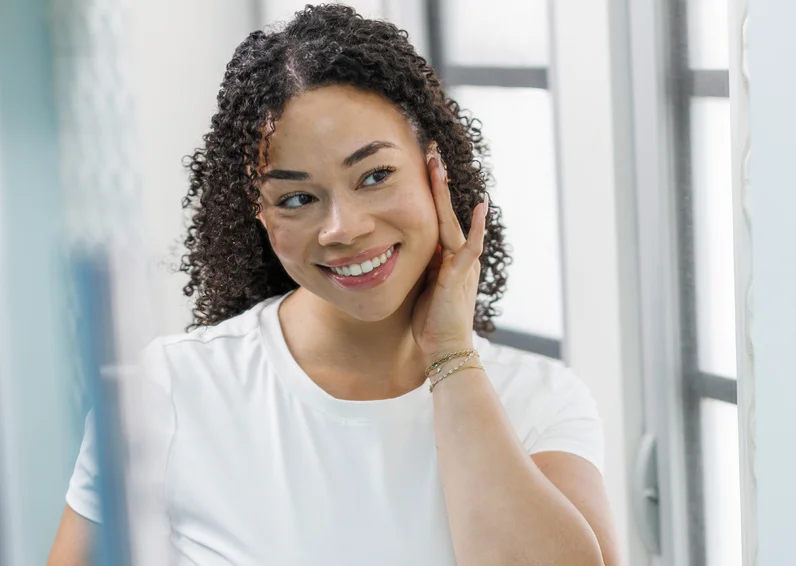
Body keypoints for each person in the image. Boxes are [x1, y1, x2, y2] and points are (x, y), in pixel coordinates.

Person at [49, 4, 621, 565]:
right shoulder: (170, 391)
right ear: (259, 214)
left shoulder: (539, 401)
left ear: (434, 169)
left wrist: (451, 356)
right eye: (297, 198)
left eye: (375, 175)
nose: (344, 228)